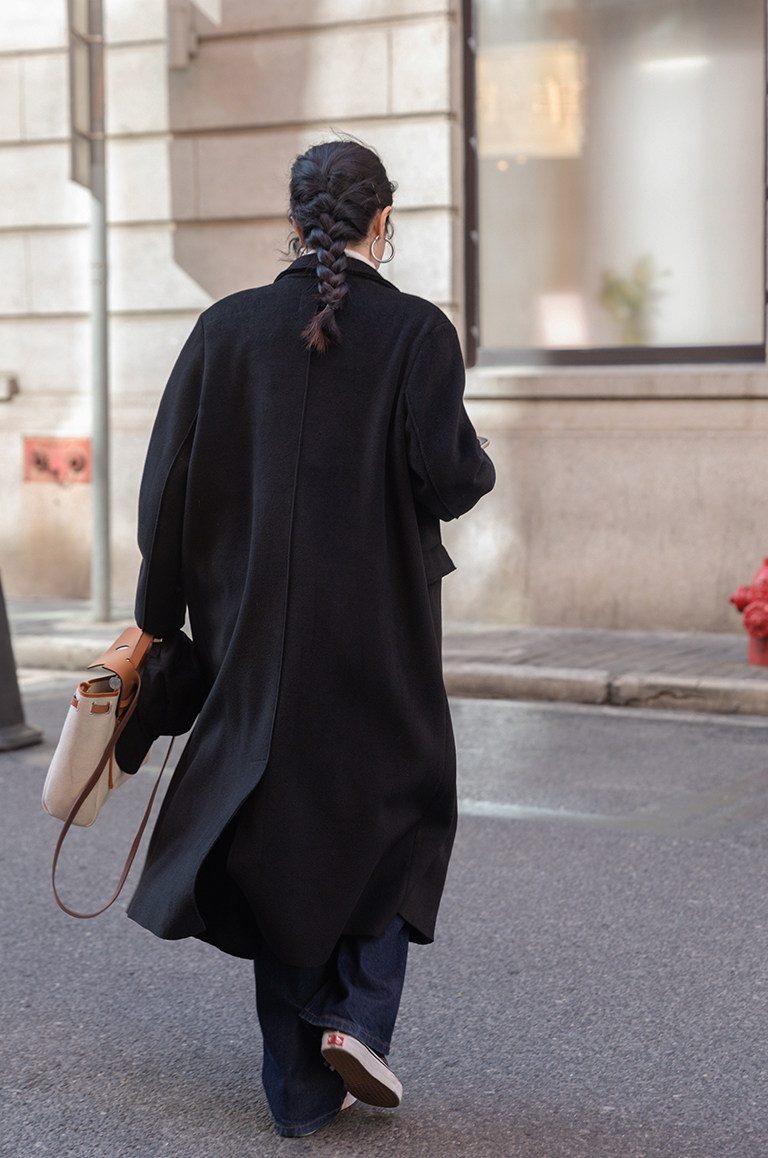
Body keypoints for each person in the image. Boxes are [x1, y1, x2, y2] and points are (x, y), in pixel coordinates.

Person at [121, 139, 495, 1137]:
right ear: (384, 222)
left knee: (277, 832)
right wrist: (475, 455)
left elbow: (165, 493)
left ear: (292, 224)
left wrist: (160, 622)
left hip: (248, 635)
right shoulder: (416, 333)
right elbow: (450, 478)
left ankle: (298, 1090)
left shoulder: (224, 329)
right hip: (380, 630)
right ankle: (358, 1013)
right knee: (404, 806)